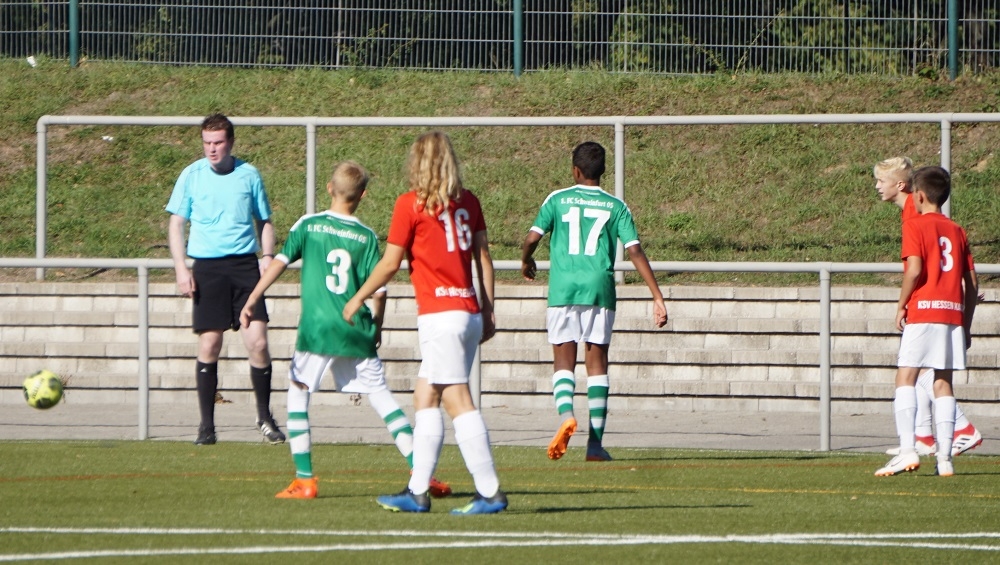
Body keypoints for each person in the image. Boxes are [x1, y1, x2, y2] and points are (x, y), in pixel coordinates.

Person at [239, 161, 451, 500]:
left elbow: (279, 262)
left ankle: (305, 480)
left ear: (329, 188)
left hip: (318, 330)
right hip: (356, 329)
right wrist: (377, 328)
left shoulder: (309, 225)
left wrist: (253, 298)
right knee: (382, 399)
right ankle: (421, 471)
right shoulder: (365, 237)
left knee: (298, 395)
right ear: (362, 195)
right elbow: (379, 291)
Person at [343, 131, 506, 515]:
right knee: (425, 396)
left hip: (441, 317)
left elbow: (389, 263)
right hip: (466, 311)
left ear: (416, 163)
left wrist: (358, 296)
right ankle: (417, 491)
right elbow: (483, 258)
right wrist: (488, 309)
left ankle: (490, 491)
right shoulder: (469, 201)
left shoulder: (410, 205)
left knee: (457, 400)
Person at [521, 141, 668, 463]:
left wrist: (526, 260)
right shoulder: (616, 206)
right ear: (603, 171)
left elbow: (532, 238)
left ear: (575, 170)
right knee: (597, 364)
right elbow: (634, 250)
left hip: (563, 289)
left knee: (563, 361)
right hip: (599, 288)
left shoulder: (557, 199)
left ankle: (566, 416)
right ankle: (595, 445)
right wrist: (657, 296)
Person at [166, 113, 284, 446]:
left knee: (258, 342)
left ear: (230, 142)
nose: (212, 149)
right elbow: (176, 224)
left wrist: (267, 256)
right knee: (209, 344)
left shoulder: (249, 174)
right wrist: (181, 268)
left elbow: (264, 220)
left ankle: (264, 417)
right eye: (207, 143)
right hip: (208, 267)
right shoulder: (192, 175)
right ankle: (207, 426)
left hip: (244, 267)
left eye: (218, 142)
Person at [874, 157, 983, 458]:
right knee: (928, 372)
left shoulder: (915, 212)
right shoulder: (924, 215)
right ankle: (925, 435)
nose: (877, 186)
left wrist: (904, 304)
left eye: (881, 181)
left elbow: (919, 265)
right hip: (945, 304)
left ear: (902, 185)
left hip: (927, 304)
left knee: (914, 372)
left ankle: (960, 428)